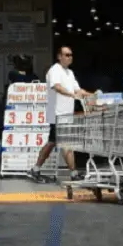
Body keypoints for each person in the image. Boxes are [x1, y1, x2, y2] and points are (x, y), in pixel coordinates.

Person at [30, 46, 93, 183]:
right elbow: (56, 87)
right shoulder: (54, 70)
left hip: (66, 114)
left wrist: (93, 95)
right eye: (66, 54)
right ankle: (73, 173)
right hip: (57, 113)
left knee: (52, 143)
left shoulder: (69, 73)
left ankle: (35, 169)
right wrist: (72, 94)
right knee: (65, 144)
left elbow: (78, 90)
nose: (69, 57)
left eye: (71, 55)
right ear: (59, 56)